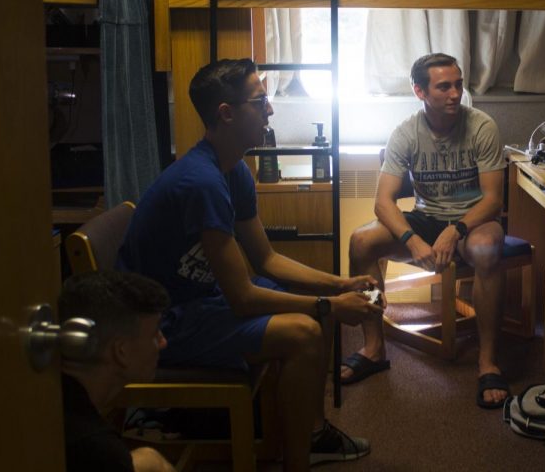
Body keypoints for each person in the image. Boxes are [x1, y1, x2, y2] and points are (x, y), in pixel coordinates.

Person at [118, 58, 380, 470]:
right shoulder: (201, 181)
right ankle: (297, 463)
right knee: (304, 331)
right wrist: (329, 305)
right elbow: (241, 297)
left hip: (200, 301)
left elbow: (267, 259)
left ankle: (312, 436)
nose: (270, 110)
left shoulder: (234, 170)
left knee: (319, 305)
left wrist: (337, 285)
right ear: (226, 113)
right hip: (164, 322)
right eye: (260, 102)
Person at [342, 53, 510, 409]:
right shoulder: (406, 133)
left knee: (485, 250)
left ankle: (487, 360)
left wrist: (456, 229)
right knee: (360, 242)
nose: (455, 94)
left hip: (472, 220)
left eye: (459, 84)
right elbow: (383, 202)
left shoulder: (482, 126)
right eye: (444, 86)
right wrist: (412, 240)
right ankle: (374, 347)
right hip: (425, 218)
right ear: (419, 91)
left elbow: (493, 199)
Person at [58, 269, 175, 472]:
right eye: (155, 333)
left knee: (151, 459)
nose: (163, 342)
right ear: (121, 351)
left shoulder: (49, 397)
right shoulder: (98, 451)